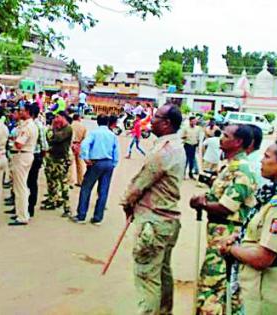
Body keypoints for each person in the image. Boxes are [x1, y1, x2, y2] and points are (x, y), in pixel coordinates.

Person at [121, 103, 185, 315]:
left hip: (154, 222)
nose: (152, 120)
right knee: (162, 273)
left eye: (156, 117)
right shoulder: (177, 146)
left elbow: (140, 183)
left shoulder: (164, 150)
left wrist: (127, 203)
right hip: (168, 221)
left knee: (147, 276)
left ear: (166, 123)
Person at [190, 124, 258, 315]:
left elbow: (227, 206)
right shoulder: (228, 167)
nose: (221, 138)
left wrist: (201, 204)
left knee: (214, 286)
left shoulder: (242, 170)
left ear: (238, 142)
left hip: (227, 239)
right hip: (217, 236)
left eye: (225, 136)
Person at [219, 139, 277, 315]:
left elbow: (263, 258)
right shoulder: (271, 196)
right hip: (261, 288)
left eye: (267, 157)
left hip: (271, 291)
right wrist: (239, 239)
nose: (261, 161)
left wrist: (232, 250)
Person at [70, 114, 119, 225]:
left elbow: (85, 145)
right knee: (103, 191)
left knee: (86, 188)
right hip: (108, 163)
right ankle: (98, 217)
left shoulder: (94, 133)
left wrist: (85, 158)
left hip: (95, 163)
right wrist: (113, 163)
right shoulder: (112, 135)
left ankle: (81, 215)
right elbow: (116, 152)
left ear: (97, 122)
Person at [8, 104, 38, 226]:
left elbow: (19, 144)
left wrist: (11, 140)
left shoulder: (27, 127)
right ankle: (22, 212)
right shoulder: (29, 125)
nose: (20, 113)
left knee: (20, 187)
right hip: (25, 155)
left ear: (28, 112)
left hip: (22, 155)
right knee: (21, 185)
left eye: (22, 111)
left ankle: (22, 216)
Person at [41, 112, 73, 216]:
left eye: (57, 117)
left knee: (63, 183)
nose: (55, 119)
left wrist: (53, 129)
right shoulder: (57, 128)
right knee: (51, 180)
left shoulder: (68, 129)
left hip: (62, 159)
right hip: (52, 157)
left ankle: (67, 207)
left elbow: (57, 138)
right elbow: (49, 138)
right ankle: (53, 199)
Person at [27, 104, 49, 218]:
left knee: (31, 182)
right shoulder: (28, 124)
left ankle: (30, 207)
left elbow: (44, 144)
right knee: (25, 182)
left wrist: (40, 158)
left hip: (34, 155)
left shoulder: (38, 126)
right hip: (30, 155)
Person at [70, 114, 87, 186]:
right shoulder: (83, 127)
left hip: (70, 144)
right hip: (79, 145)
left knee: (70, 163)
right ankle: (80, 181)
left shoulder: (70, 126)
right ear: (79, 118)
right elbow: (85, 138)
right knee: (79, 164)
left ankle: (69, 180)